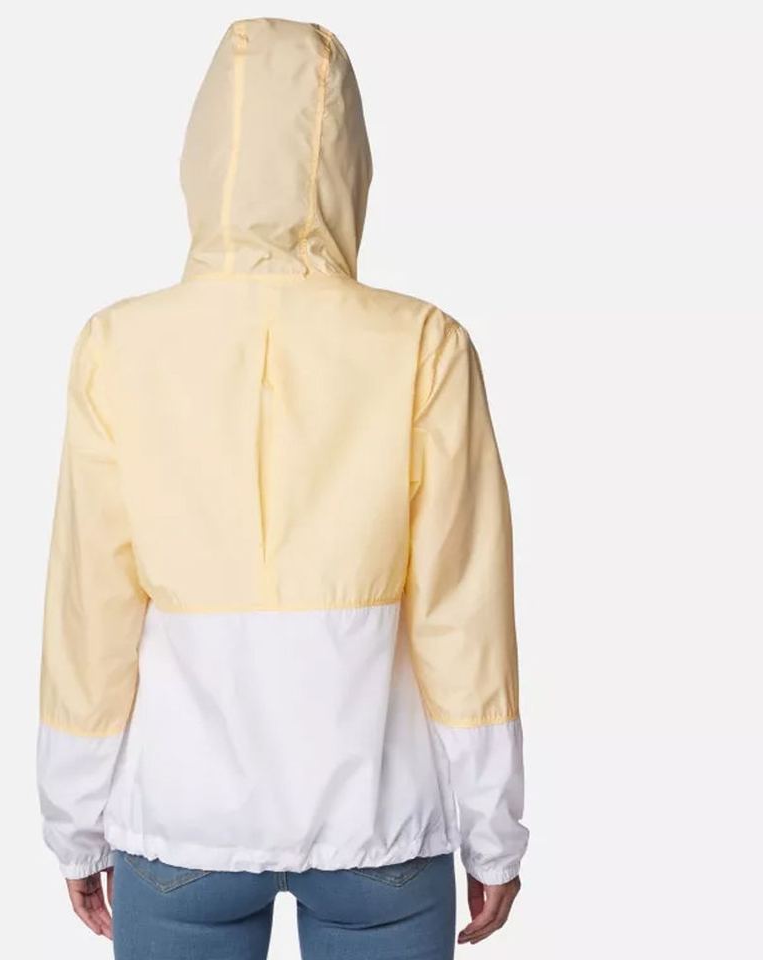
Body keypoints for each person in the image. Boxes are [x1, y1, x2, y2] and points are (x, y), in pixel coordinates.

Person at [36, 17, 528, 960]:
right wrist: (494, 832)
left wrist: (74, 821)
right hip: (379, 827)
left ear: (202, 155)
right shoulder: (424, 346)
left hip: (182, 828)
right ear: (351, 164)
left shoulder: (118, 348)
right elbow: (466, 617)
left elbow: (88, 612)